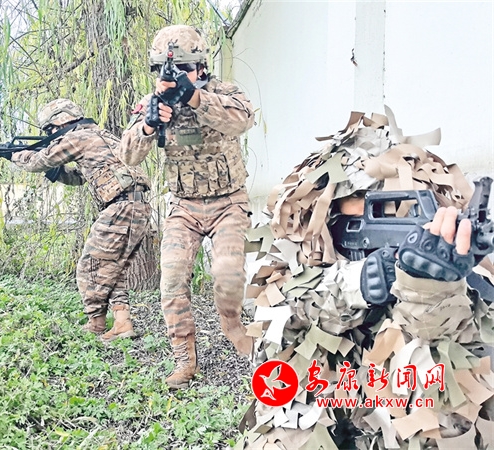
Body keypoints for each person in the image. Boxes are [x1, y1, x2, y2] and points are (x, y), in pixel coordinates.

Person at [239, 109, 494, 449]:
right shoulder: (300, 249)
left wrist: (428, 289)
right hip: (329, 400)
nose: (386, 213)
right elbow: (273, 335)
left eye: (397, 203)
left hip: (394, 412)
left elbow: (461, 373)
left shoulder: (453, 262)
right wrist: (359, 282)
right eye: (362, 199)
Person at [118, 25, 256, 389]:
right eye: (167, 70)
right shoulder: (153, 103)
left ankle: (232, 326)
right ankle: (184, 359)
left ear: (201, 67)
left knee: (227, 274)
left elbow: (242, 120)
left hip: (228, 203)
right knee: (172, 280)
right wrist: (148, 125)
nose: (176, 76)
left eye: (185, 69)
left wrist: (195, 97)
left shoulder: (223, 92)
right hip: (184, 207)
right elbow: (127, 156)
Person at [9, 98, 152, 342]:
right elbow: (79, 177)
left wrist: (14, 155)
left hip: (121, 207)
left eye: (50, 129)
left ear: (60, 122)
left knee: (90, 266)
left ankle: (96, 322)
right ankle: (121, 322)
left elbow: (37, 161)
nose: (51, 135)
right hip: (137, 206)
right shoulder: (100, 135)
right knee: (113, 266)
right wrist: (55, 172)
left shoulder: (77, 137)